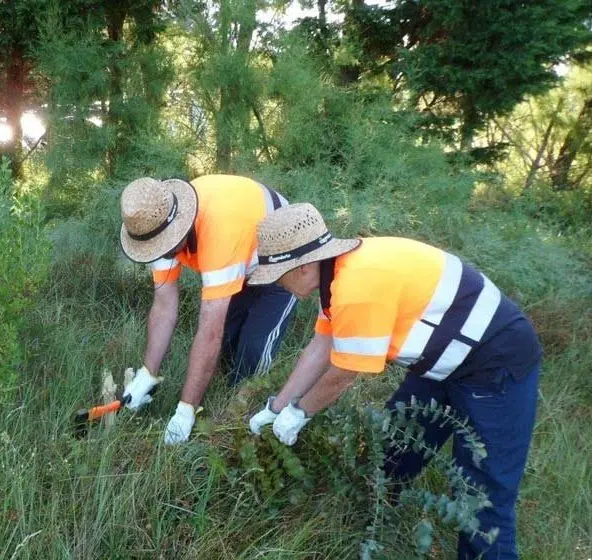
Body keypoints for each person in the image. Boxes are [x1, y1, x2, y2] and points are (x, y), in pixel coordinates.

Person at [246, 203, 541, 560]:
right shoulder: (336, 276)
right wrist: (276, 407)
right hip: (441, 363)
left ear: (304, 265)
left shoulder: (357, 287)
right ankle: (377, 522)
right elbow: (320, 347)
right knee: (396, 448)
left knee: (481, 493)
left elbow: (342, 375)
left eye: (278, 274)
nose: (277, 283)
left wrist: (299, 413)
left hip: (497, 361)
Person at [117, 175, 297, 445]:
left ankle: (244, 423)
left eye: (163, 247)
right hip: (242, 255)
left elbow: (209, 332)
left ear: (180, 228)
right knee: (224, 348)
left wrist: (185, 410)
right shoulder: (153, 226)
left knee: (251, 356)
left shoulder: (219, 232)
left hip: (283, 259)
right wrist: (148, 373)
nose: (160, 253)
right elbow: (164, 307)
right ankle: (216, 392)